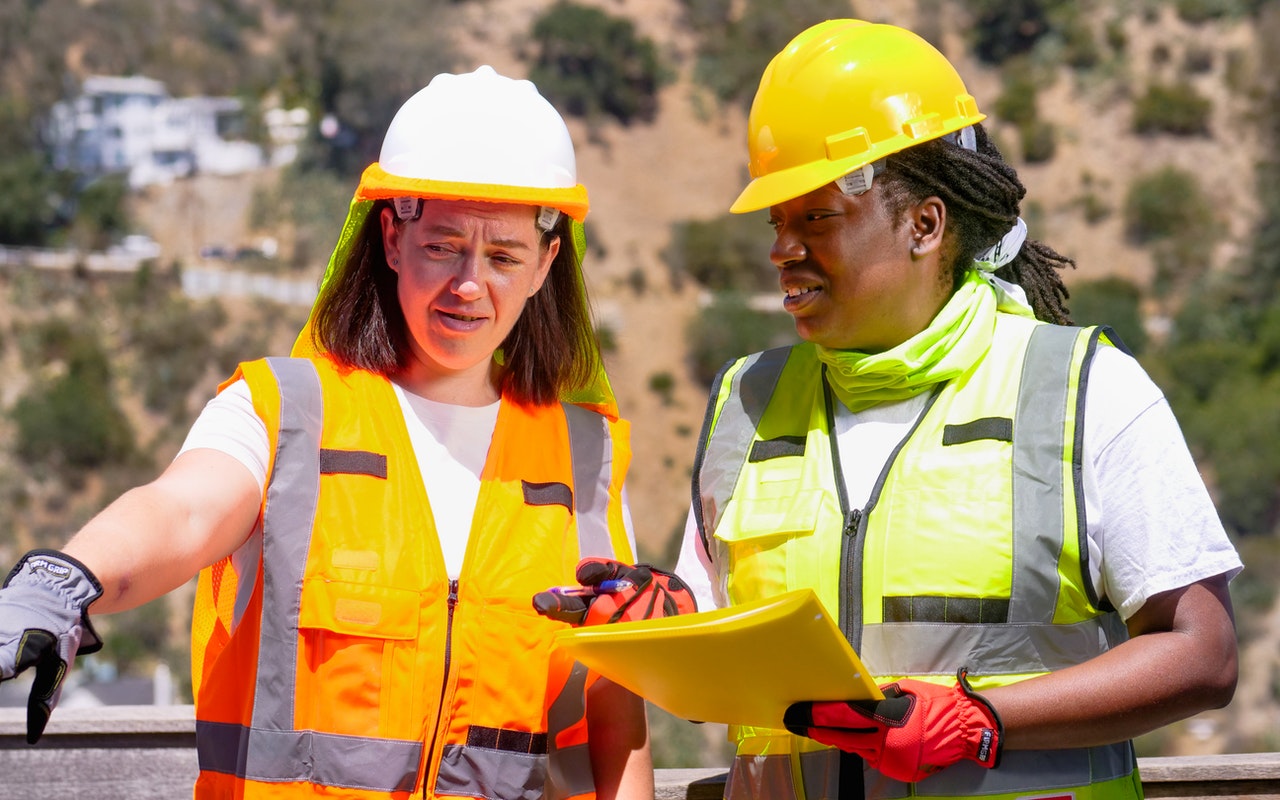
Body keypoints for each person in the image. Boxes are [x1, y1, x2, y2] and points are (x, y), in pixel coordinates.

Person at [0, 65, 685, 800]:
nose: (469, 284)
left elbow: (612, 723)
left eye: (504, 256)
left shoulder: (586, 457)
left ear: (548, 264)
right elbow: (182, 510)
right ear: (392, 237)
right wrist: (64, 578)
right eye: (444, 246)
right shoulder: (284, 412)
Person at [675, 19, 1243, 800]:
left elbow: (1201, 655)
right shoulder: (747, 403)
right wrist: (652, 611)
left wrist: (984, 720)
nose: (782, 249)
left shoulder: (1084, 392)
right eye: (777, 223)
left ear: (924, 224)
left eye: (816, 217)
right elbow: (707, 648)